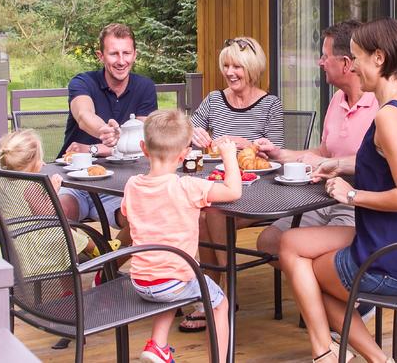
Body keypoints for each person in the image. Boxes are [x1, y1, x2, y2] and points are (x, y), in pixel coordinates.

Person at [279, 18, 397, 363]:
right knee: (289, 245)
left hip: (393, 255)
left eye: (357, 58)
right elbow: (394, 164)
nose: (353, 67)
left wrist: (351, 195)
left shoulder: (388, 118)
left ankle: (334, 353)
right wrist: (340, 165)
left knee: (307, 273)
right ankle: (336, 353)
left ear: (378, 59)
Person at [180, 35, 284, 332]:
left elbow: (276, 152)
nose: (230, 72)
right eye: (226, 65)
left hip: (259, 192)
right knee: (204, 214)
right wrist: (194, 135)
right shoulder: (214, 99)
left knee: (212, 212)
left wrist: (248, 143)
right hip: (218, 185)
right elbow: (188, 128)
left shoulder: (270, 104)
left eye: (237, 66)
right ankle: (214, 295)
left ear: (252, 68)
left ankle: (222, 291)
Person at [121, 109, 242, 363]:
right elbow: (233, 191)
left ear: (143, 148)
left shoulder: (132, 185)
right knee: (219, 303)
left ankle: (158, 346)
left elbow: (125, 214)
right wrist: (229, 156)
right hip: (172, 282)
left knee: (177, 274)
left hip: (142, 280)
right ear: (184, 155)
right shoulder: (187, 187)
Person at [254, 20, 378, 265]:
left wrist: (326, 162)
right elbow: (323, 151)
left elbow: (376, 162)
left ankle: (343, 296)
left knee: (315, 256)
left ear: (346, 63)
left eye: (325, 56)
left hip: (358, 203)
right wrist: (280, 154)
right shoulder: (337, 101)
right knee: (269, 242)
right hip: (322, 198)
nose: (320, 62)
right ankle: (323, 293)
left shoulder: (380, 105)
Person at [57, 23, 157, 246]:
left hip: (121, 187)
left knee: (144, 215)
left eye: (126, 53)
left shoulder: (145, 87)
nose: (121, 61)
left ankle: (108, 267)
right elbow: (84, 115)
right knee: (58, 212)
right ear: (100, 56)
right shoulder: (82, 82)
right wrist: (105, 131)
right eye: (114, 53)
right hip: (77, 183)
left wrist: (92, 148)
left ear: (134, 54)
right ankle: (88, 256)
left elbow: (138, 142)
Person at [0, 129, 121, 276]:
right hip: (31, 248)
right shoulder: (30, 186)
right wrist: (53, 191)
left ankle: (94, 249)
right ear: (33, 163)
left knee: (63, 230)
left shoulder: (2, 181)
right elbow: (47, 214)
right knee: (63, 233)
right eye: (39, 160)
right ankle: (97, 249)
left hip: (10, 240)